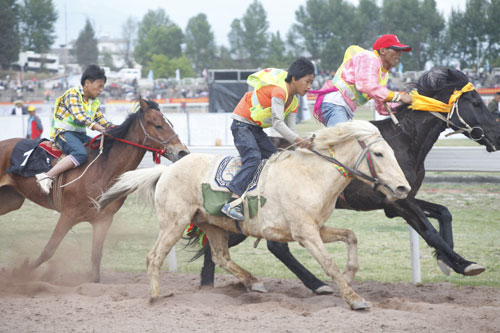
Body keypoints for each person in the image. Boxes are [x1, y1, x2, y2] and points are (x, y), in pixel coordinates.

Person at [221, 57, 315, 221]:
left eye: (311, 83)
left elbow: (291, 131)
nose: (309, 87)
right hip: (241, 125)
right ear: (294, 79)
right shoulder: (280, 91)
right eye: (307, 82)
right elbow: (278, 124)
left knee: (274, 158)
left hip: (255, 128)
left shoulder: (294, 102)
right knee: (253, 157)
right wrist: (300, 141)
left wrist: (302, 144)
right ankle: (232, 201)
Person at [36, 65, 113, 194]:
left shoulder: (94, 102)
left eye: (103, 86)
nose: (101, 90)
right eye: (99, 85)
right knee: (81, 153)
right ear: (87, 83)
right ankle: (46, 176)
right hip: (62, 134)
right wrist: (100, 128)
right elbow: (80, 117)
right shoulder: (73, 94)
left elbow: (102, 120)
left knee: (102, 146)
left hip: (80, 135)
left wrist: (115, 129)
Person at [317, 34, 413, 127]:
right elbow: (367, 86)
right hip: (335, 103)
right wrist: (399, 97)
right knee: (342, 139)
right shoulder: (369, 58)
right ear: (383, 50)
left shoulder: (383, 74)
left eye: (401, 51)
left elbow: (381, 106)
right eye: (397, 50)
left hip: (344, 108)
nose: (400, 54)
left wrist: (406, 106)